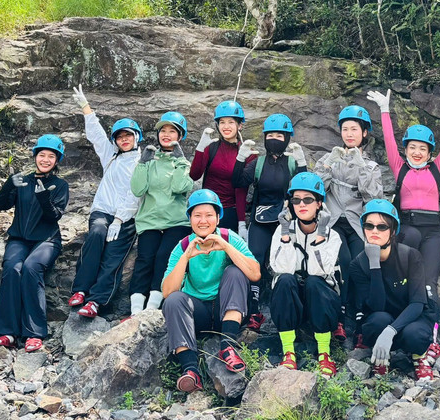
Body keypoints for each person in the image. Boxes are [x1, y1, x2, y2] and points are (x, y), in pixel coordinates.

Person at [162, 189, 262, 393]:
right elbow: (167, 292)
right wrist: (186, 257)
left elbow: (255, 273)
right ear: (189, 219)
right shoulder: (181, 247)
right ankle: (191, 370)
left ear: (218, 218)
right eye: (197, 215)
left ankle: (228, 346)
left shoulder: (228, 237)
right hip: (197, 314)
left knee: (235, 271)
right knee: (173, 300)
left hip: (228, 312)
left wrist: (225, 247)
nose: (203, 221)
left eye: (209, 215)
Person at [367, 87, 440, 299]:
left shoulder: (437, 167)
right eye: (413, 148)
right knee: (404, 279)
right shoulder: (400, 168)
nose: (417, 152)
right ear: (406, 149)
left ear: (429, 152)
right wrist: (384, 109)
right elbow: (389, 141)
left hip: (433, 231)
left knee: (429, 284)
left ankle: (431, 326)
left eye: (422, 149)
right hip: (407, 228)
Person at [66, 86, 142, 318]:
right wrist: (85, 108)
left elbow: (137, 192)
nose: (124, 139)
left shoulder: (143, 161)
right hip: (102, 211)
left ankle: (96, 301)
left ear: (137, 137)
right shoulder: (110, 155)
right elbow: (97, 135)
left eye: (128, 135)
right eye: (120, 136)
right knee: (97, 234)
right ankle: (80, 290)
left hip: (126, 218)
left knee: (113, 256)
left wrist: (120, 219)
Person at [0, 134, 70, 352]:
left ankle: (34, 333)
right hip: (19, 239)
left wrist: (44, 198)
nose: (45, 159)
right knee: (11, 268)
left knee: (31, 268)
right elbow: (0, 206)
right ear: (35, 156)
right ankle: (8, 332)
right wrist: (8, 186)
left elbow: (54, 217)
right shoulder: (22, 181)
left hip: (47, 240)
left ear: (57, 161)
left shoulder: (60, 185)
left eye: (51, 156)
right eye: (41, 155)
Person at [348, 199, 440, 380]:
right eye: (369, 226)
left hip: (410, 319)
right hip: (381, 317)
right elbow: (376, 306)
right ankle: (383, 358)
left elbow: (417, 303)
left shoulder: (410, 256)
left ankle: (419, 355)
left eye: (382, 227)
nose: (374, 231)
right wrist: (374, 265)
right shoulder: (358, 264)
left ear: (392, 231)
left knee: (414, 334)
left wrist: (391, 331)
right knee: (376, 322)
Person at [313, 104, 383, 341]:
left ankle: (360, 321)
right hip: (332, 221)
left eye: (355, 129)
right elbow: (316, 190)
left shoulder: (372, 166)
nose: (349, 134)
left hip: (356, 223)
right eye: (345, 129)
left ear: (364, 133)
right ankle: (340, 319)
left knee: (359, 264)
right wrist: (328, 165)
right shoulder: (328, 157)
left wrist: (361, 167)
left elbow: (373, 198)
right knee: (342, 261)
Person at [233, 113, 308, 330]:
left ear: (287, 138)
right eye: (271, 135)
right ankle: (254, 309)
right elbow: (238, 182)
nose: (275, 139)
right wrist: (241, 158)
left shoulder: (292, 162)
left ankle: (290, 309)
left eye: (280, 135)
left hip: (286, 219)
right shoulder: (258, 163)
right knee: (254, 261)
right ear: (265, 138)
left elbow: (303, 188)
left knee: (289, 264)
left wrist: (302, 164)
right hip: (261, 220)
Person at [269, 172, 342, 377]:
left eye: (308, 199)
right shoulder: (282, 230)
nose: (302, 205)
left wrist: (320, 237)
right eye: (296, 200)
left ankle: (324, 353)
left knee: (314, 282)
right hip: (293, 303)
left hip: (321, 302)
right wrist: (285, 235)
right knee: (284, 280)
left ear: (319, 204)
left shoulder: (332, 235)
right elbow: (281, 268)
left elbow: (321, 271)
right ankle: (288, 352)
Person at [127, 111, 196, 316]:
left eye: (172, 131)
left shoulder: (183, 162)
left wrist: (180, 162)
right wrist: (142, 164)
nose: (166, 135)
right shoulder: (149, 158)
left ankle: (153, 307)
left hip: (176, 220)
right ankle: (136, 310)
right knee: (145, 258)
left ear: (180, 136)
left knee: (165, 256)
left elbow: (180, 186)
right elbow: (138, 190)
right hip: (150, 220)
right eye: (162, 131)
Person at [189, 100, 249, 233]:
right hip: (207, 206)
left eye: (231, 122)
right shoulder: (212, 146)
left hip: (230, 210)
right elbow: (194, 175)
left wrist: (241, 222)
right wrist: (200, 149)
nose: (226, 126)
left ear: (240, 126)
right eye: (222, 122)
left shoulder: (246, 152)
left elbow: (241, 190)